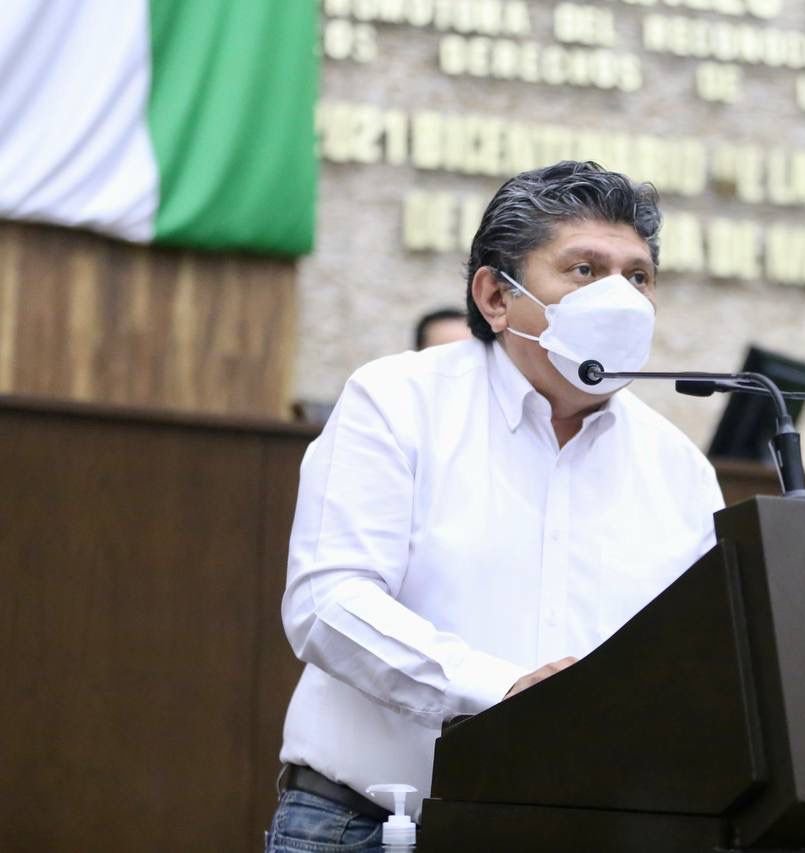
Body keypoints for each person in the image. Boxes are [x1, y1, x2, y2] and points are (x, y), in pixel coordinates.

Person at [264, 161, 725, 851]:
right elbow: (327, 603)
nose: (620, 297)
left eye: (638, 277)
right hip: (368, 826)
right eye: (585, 270)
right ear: (495, 296)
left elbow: (696, 666)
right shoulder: (397, 401)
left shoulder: (679, 469)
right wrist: (500, 689)